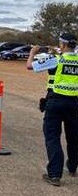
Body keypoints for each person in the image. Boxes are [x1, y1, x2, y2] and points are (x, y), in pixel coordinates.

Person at [27, 33, 78, 186]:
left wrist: (32, 53)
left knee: (52, 137)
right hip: (74, 102)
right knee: (74, 136)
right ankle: (73, 166)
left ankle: (55, 174)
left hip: (55, 101)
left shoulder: (56, 60)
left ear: (62, 45)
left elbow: (30, 66)